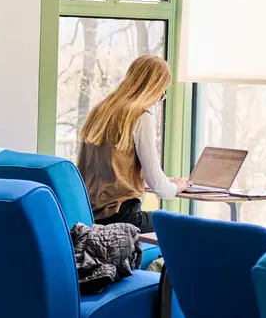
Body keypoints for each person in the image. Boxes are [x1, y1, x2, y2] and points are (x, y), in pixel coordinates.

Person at [76, 55, 191, 233]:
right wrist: (177, 187)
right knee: (185, 226)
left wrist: (156, 180)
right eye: (162, 92)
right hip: (122, 216)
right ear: (153, 88)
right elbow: (160, 188)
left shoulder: (100, 111)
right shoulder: (139, 116)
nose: (160, 98)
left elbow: (109, 173)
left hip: (91, 216)